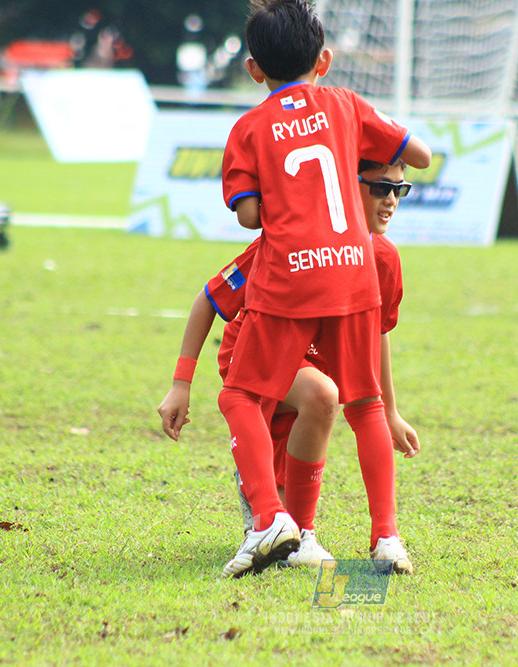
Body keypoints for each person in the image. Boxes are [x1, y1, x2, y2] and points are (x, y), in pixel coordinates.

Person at [215, 0, 431, 578]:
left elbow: (250, 217)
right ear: (325, 60)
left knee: (238, 396)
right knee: (366, 406)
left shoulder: (249, 127)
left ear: (254, 69)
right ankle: (386, 538)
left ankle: (269, 517)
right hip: (354, 268)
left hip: (290, 277)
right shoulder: (344, 104)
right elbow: (420, 156)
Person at [158, 158, 420, 573]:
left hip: (311, 367)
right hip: (254, 356)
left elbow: (378, 332)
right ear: (347, 186)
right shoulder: (292, 242)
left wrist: (390, 410)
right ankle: (282, 519)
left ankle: (291, 520)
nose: (391, 200)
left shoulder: (382, 258)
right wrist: (180, 383)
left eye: (399, 191)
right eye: (380, 188)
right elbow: (210, 298)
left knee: (318, 406)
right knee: (321, 395)